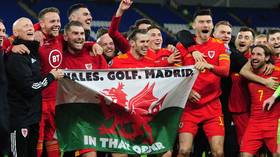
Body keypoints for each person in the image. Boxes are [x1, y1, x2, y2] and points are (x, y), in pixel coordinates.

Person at [5, 17, 63, 157]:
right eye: (25, 26)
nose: (30, 28)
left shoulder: (31, 52)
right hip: (19, 119)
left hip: (32, 118)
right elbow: (30, 88)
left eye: (31, 25)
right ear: (15, 33)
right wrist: (51, 77)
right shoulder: (16, 56)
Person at [176, 9, 230, 157]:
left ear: (212, 26)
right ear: (194, 25)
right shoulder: (182, 46)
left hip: (212, 106)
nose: (205, 24)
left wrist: (209, 66)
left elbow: (225, 71)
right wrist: (186, 92)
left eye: (208, 22)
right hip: (189, 106)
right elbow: (175, 76)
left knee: (218, 152)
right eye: (201, 22)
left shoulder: (220, 45)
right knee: (184, 150)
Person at [62, 21, 108, 157]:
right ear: (65, 36)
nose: (80, 37)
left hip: (93, 117)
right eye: (75, 33)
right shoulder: (59, 56)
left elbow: (107, 82)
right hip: (67, 117)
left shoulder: (94, 54)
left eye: (82, 33)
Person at [240, 45, 280, 157]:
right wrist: (265, 82)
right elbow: (243, 71)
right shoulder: (249, 73)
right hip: (254, 123)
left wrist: (274, 96)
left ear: (267, 58)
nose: (254, 57)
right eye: (252, 54)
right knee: (244, 155)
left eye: (259, 54)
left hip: (274, 122)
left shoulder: (276, 71)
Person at [37, 7, 63, 157]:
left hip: (56, 100)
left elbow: (78, 41)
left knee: (54, 142)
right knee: (37, 142)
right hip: (38, 101)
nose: (57, 24)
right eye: (52, 21)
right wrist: (35, 29)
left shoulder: (60, 38)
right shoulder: (34, 39)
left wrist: (93, 45)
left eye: (58, 21)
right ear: (41, 24)